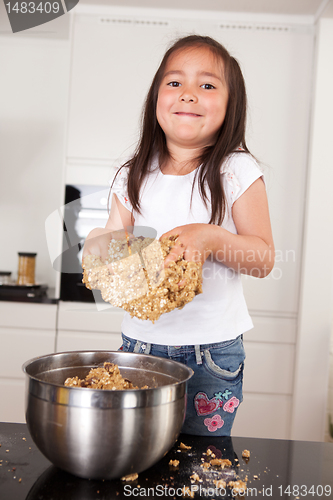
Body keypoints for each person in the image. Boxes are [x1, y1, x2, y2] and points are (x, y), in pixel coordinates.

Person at [83, 35, 275, 436]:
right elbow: (113, 246)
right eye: (174, 83)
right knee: (136, 454)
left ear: (231, 105)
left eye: (207, 85)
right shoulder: (131, 173)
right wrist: (98, 246)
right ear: (156, 98)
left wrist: (210, 238)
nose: (188, 94)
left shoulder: (235, 170)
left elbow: (262, 258)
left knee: (199, 467)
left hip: (212, 353)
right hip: (139, 346)